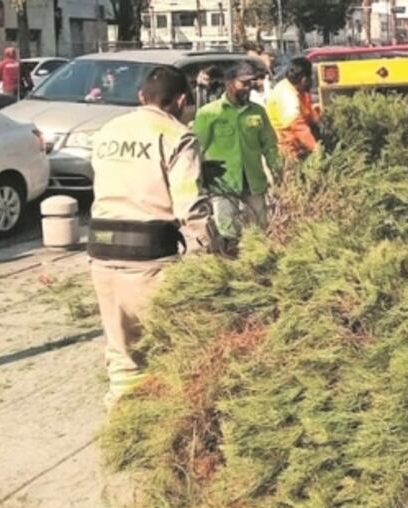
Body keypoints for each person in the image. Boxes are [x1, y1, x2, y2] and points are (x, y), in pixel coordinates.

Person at [88, 65, 219, 408]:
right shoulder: (178, 135)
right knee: (165, 344)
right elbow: (189, 207)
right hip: (149, 256)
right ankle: (160, 420)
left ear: (140, 97)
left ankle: (123, 420)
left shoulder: (107, 130)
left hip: (100, 250)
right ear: (180, 101)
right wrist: (213, 253)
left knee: (121, 352)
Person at [194, 62, 282, 228]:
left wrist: (278, 171)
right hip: (223, 184)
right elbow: (196, 150)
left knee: (259, 228)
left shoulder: (257, 112)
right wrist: (198, 182)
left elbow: (270, 146)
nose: (248, 88)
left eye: (251, 83)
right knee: (227, 231)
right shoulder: (209, 113)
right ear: (229, 83)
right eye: (243, 83)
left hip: (253, 181)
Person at [266, 57, 320, 159]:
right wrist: (316, 149)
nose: (312, 80)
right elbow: (298, 126)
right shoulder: (287, 95)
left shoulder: (299, 90)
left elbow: (308, 114)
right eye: (310, 77)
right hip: (286, 147)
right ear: (304, 79)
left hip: (296, 144)